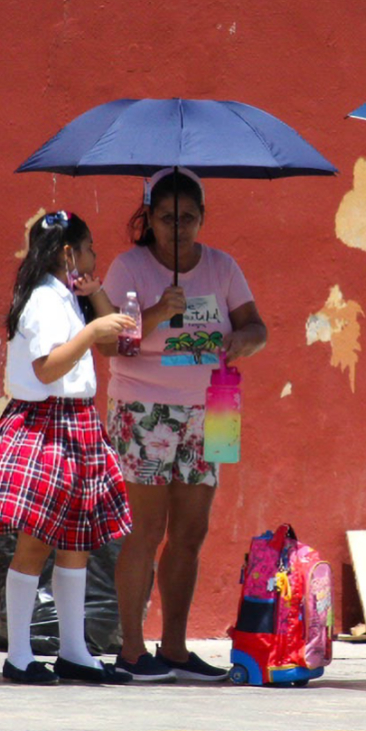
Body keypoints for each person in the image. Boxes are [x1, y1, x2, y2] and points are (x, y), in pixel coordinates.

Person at [0, 210, 138, 685]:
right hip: (46, 425)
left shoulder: (67, 298)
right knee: (35, 543)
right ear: (67, 253)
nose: (96, 256)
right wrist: (92, 333)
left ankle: (75, 651)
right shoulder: (40, 300)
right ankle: (19, 654)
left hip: (77, 423)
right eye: (90, 248)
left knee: (77, 542)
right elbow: (46, 369)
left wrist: (93, 306)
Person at [98, 167, 267, 683]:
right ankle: (131, 649)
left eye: (189, 218)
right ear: (149, 218)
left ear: (202, 218)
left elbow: (255, 326)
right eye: (168, 218)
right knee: (147, 530)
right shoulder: (128, 268)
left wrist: (245, 341)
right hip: (144, 407)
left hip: (213, 408)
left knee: (192, 531)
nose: (179, 228)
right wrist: (153, 313)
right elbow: (106, 342)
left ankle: (174, 647)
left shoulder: (222, 266)